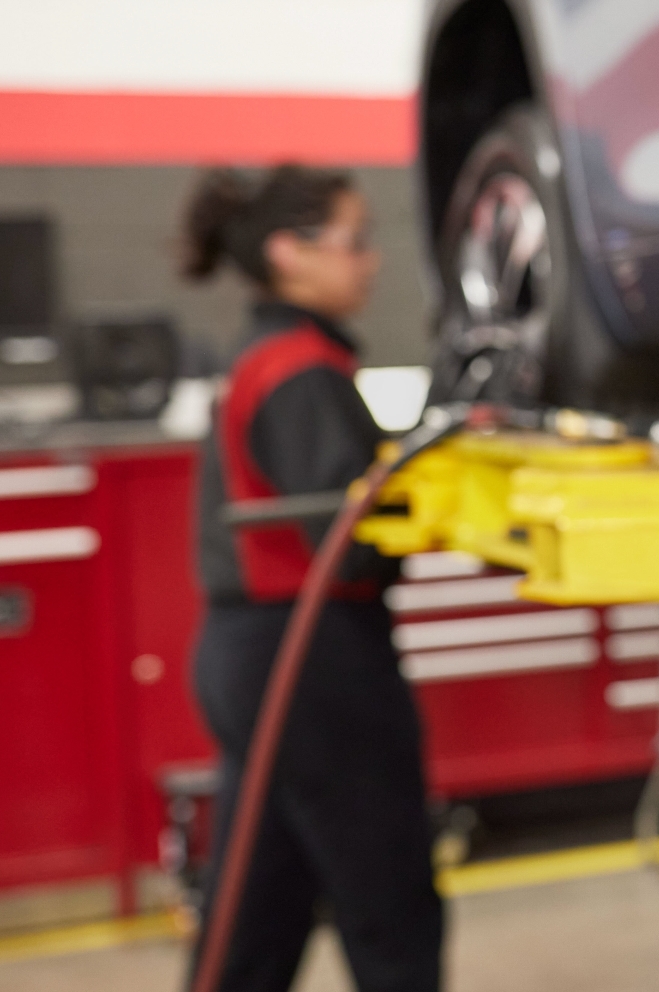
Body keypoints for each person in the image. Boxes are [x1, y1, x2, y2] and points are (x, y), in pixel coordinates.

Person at [180, 165, 442, 992]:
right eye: (354, 241)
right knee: (390, 907)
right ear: (289, 254)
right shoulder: (299, 369)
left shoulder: (267, 356)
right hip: (313, 658)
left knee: (260, 905)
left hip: (254, 655)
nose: (371, 260)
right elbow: (352, 544)